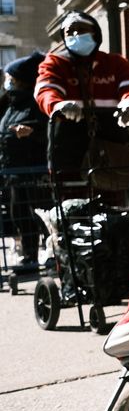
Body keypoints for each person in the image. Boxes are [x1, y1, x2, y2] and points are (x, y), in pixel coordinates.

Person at [35, 12, 129, 187]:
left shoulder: (115, 62)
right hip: (68, 142)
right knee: (73, 203)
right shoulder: (56, 62)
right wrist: (58, 105)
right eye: (69, 32)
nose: (76, 35)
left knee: (114, 198)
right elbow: (46, 89)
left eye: (81, 29)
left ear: (95, 32)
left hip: (111, 141)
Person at [0, 51, 50, 266]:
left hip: (33, 169)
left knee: (41, 211)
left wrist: (31, 132)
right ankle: (30, 255)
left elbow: (47, 129)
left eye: (11, 79)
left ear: (22, 81)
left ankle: (52, 252)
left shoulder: (36, 102)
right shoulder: (9, 103)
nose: (8, 82)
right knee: (18, 211)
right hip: (12, 171)